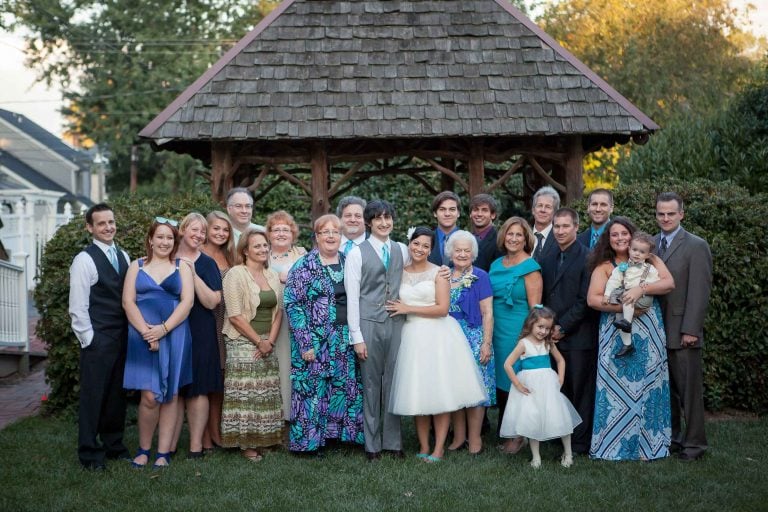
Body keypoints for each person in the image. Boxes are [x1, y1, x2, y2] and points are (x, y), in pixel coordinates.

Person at [387, 227, 487, 463]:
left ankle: (439, 447)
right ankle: (423, 445)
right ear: (409, 244)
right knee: (417, 392)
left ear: (431, 250)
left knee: (439, 390)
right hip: (410, 336)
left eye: (425, 246)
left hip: (437, 335)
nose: (420, 249)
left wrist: (408, 308)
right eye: (416, 244)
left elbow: (442, 309)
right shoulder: (399, 272)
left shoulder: (439, 273)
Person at [587, 217, 675, 461]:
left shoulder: (649, 258)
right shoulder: (604, 266)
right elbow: (593, 299)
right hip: (616, 329)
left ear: (632, 235)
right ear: (608, 239)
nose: (620, 238)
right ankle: (612, 447)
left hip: (649, 330)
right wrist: (624, 307)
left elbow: (669, 282)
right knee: (616, 390)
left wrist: (640, 290)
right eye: (614, 235)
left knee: (649, 384)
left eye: (624, 233)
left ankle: (649, 447)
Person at [283, 214, 364, 454]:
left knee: (343, 388)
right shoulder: (304, 265)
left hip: (343, 338)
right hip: (314, 341)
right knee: (312, 390)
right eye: (325, 232)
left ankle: (337, 438)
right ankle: (307, 444)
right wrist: (305, 342)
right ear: (316, 237)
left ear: (341, 237)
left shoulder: (349, 261)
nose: (331, 236)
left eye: (335, 232)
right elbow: (292, 304)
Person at [122, 217, 194, 468]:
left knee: (171, 394)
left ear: (175, 242)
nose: (165, 242)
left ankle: (163, 453)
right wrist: (147, 332)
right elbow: (128, 302)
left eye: (169, 238)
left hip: (174, 333)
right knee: (149, 396)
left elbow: (187, 302)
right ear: (151, 240)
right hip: (141, 334)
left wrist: (163, 330)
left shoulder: (181, 267)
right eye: (160, 237)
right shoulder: (136, 266)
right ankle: (143, 449)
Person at [344, 199, 408, 461]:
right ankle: (372, 445)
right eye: (378, 218)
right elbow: (352, 297)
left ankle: (393, 442)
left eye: (388, 217)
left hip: (396, 323)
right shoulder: (356, 253)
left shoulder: (402, 249)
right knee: (371, 386)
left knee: (394, 384)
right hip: (368, 324)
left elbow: (414, 278)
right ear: (369, 222)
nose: (384, 223)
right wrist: (356, 336)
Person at [68, 203, 131, 470]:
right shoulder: (84, 259)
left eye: (111, 222)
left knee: (116, 396)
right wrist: (89, 339)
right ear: (90, 227)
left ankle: (113, 445)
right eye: (102, 223)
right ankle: (90, 453)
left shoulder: (124, 255)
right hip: (98, 339)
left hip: (122, 337)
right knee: (94, 397)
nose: (108, 227)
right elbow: (77, 306)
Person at [655, 192, 712, 461]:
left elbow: (699, 291)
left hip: (682, 331)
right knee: (667, 393)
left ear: (681, 214)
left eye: (670, 213)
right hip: (656, 331)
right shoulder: (651, 244)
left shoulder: (696, 245)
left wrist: (691, 329)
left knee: (689, 394)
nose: (665, 218)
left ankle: (694, 446)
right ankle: (673, 440)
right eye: (661, 213)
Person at [220, 228, 284, 461]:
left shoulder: (273, 275)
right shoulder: (235, 274)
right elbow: (235, 316)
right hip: (242, 341)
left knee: (265, 393)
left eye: (265, 245)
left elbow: (279, 313)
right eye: (257, 246)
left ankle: (264, 439)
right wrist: (258, 341)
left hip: (268, 340)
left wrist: (270, 341)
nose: (263, 249)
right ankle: (247, 444)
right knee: (248, 394)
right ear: (245, 250)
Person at [540, 207, 597, 455]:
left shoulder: (588, 257)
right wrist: (547, 327)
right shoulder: (548, 256)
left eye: (566, 226)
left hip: (578, 336)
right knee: (558, 388)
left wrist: (562, 327)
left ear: (576, 227)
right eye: (557, 226)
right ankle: (558, 435)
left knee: (579, 389)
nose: (561, 231)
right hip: (550, 335)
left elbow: (584, 300)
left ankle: (581, 442)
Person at [499, 306, 581, 468]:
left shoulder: (548, 343)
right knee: (532, 419)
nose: (543, 331)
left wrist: (561, 378)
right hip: (530, 387)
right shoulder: (523, 344)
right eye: (540, 327)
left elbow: (560, 361)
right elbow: (508, 364)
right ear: (531, 324)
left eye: (547, 328)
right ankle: (536, 457)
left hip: (548, 386)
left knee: (559, 416)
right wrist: (518, 384)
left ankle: (568, 453)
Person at [489, 216, 542, 453]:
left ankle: (520, 435)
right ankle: (506, 429)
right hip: (496, 328)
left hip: (518, 330)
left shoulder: (531, 268)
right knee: (501, 383)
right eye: (510, 234)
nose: (513, 238)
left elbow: (535, 309)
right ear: (503, 236)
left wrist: (531, 338)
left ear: (526, 239)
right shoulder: (496, 265)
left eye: (518, 235)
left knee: (516, 381)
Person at [174, 213, 223, 458]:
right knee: (174, 388)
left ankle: (196, 446)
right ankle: (168, 446)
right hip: (172, 328)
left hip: (200, 328)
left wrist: (192, 274)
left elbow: (213, 301)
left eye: (202, 232)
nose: (199, 235)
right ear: (182, 230)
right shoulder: (167, 258)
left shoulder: (207, 263)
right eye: (194, 230)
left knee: (200, 387)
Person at [444, 230, 495, 455]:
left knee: (475, 389)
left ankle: (475, 439)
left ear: (473, 253)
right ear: (450, 252)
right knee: (455, 388)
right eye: (458, 250)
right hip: (449, 339)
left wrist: (486, 343)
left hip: (474, 338)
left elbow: (488, 313)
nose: (462, 254)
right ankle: (458, 437)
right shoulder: (443, 275)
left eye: (467, 250)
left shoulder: (481, 276)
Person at [266, 210, 307, 423]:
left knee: (292, 362)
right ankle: (273, 415)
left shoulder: (301, 254)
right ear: (269, 234)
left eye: (286, 229)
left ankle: (293, 415)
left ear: (293, 234)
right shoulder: (262, 255)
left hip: (295, 317)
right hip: (269, 316)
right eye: (276, 229)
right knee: (274, 363)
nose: (281, 233)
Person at [200, 210, 235, 450]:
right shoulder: (197, 254)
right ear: (206, 230)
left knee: (221, 381)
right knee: (206, 380)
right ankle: (204, 435)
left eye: (225, 229)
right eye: (216, 229)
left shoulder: (230, 256)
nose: (221, 233)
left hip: (226, 322)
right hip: (205, 320)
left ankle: (216, 429)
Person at [603, 232, 660, 358]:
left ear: (648, 255)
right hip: (627, 299)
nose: (637, 254)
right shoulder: (622, 268)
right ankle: (627, 344)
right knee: (619, 314)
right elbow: (613, 281)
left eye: (642, 252)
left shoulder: (649, 269)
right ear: (629, 250)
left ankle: (626, 322)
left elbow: (657, 281)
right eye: (634, 250)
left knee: (627, 299)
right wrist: (607, 295)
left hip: (644, 298)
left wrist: (645, 285)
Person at [468, 193, 503, 272]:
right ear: (470, 214)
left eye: (484, 210)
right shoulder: (466, 238)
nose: (479, 214)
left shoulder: (500, 240)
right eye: (476, 210)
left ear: (493, 215)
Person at [428, 191, 461, 266]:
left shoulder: (470, 240)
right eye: (442, 209)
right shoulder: (426, 239)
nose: (447, 214)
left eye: (452, 209)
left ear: (458, 213)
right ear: (435, 213)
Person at [530, 185, 560, 263]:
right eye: (540, 205)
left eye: (548, 207)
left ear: (555, 213)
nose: (543, 210)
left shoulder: (560, 238)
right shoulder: (523, 235)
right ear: (533, 210)